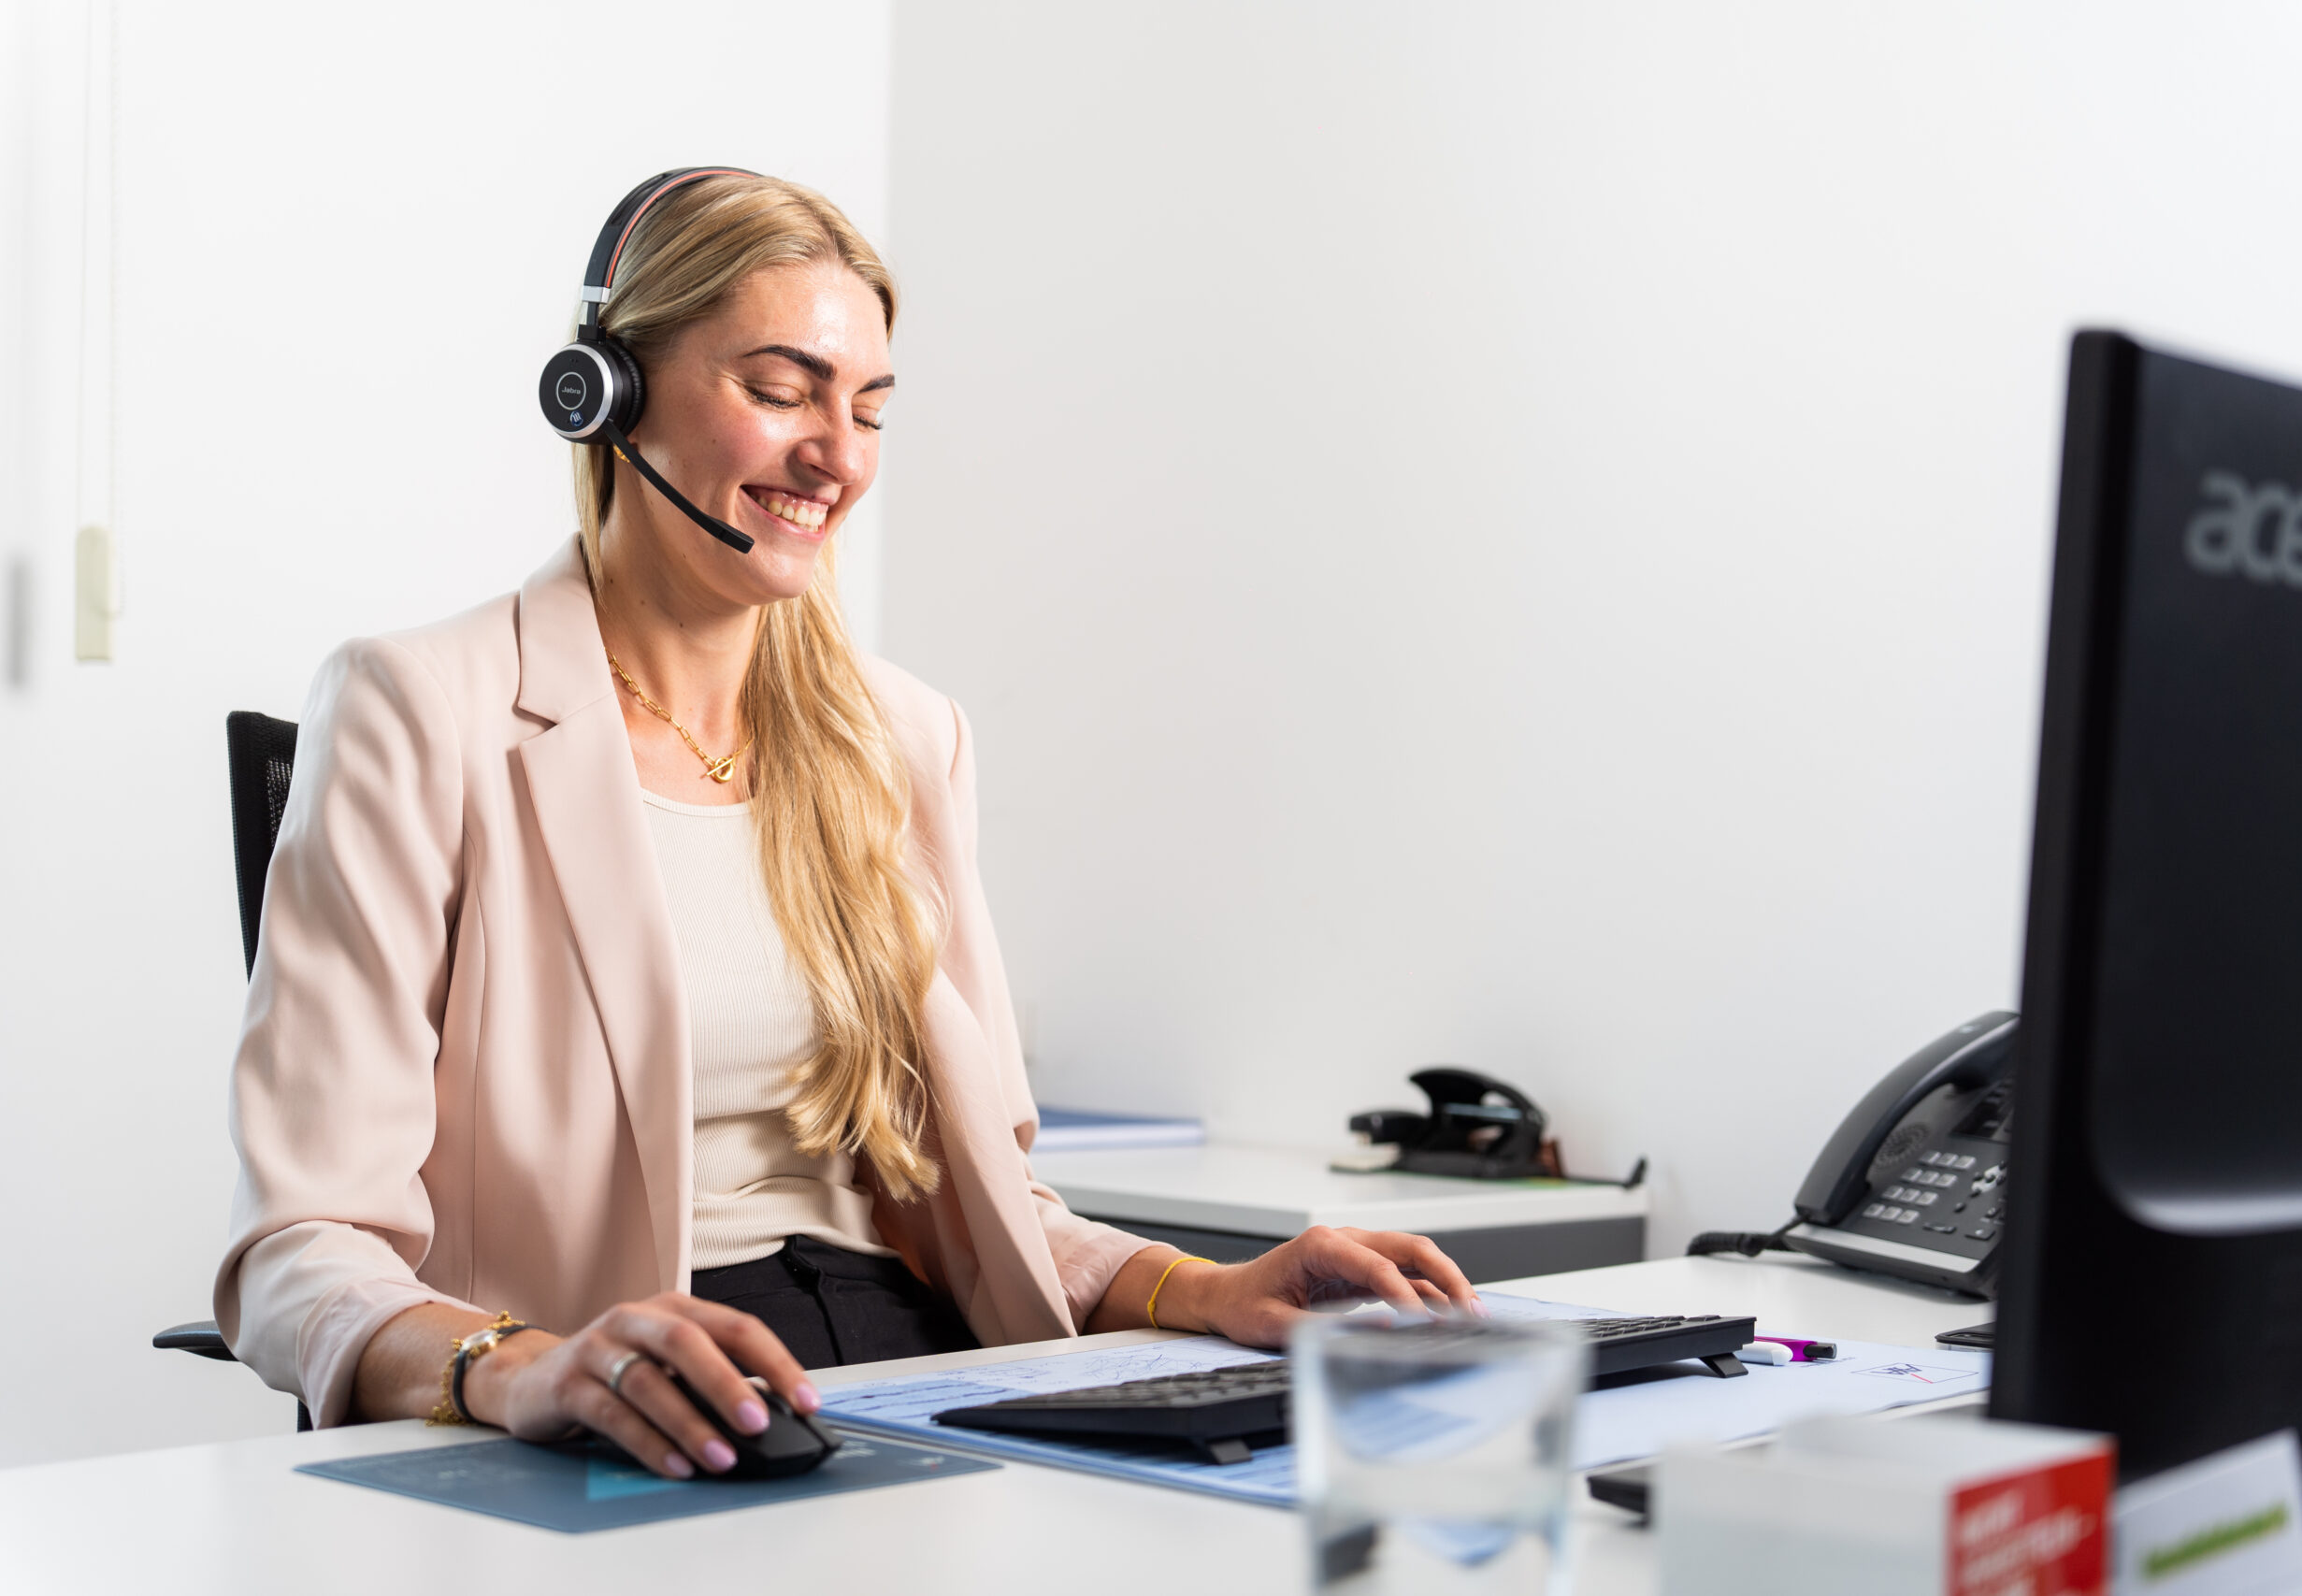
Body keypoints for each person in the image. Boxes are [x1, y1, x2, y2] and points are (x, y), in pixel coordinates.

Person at [216, 168, 1479, 1480]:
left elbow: (987, 1207)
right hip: (636, 1392)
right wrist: (521, 1364)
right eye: (780, 392)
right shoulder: (419, 709)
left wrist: (1198, 1289)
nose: (841, 456)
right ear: (607, 394)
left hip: (924, 1376)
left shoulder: (901, 737)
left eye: (869, 408)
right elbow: (300, 1248)